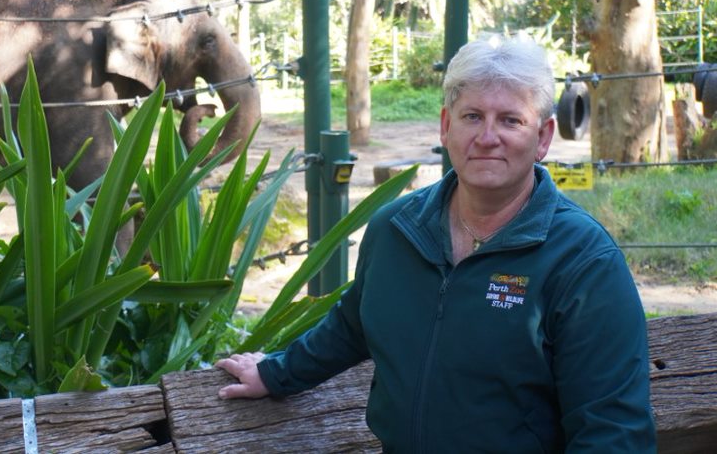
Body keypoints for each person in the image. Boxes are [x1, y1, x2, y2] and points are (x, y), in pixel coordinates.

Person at [215, 37, 655, 452]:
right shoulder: (396, 229)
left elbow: (614, 430)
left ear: (542, 138)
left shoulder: (582, 260)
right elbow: (354, 324)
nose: (487, 137)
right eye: (472, 116)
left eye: (511, 120)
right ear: (446, 127)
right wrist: (276, 373)